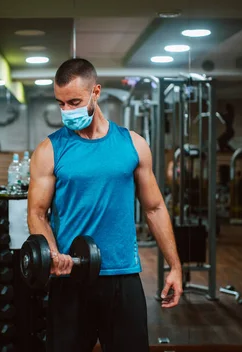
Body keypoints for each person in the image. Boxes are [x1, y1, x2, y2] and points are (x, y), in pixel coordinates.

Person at [27, 58, 183, 352]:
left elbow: (155, 209)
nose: (67, 111)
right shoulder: (49, 149)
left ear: (95, 92)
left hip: (122, 277)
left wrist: (174, 266)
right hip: (70, 276)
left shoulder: (132, 144)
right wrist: (54, 254)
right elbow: (37, 213)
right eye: (61, 104)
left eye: (74, 101)